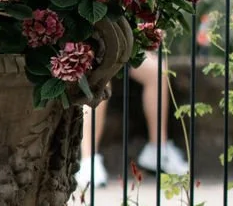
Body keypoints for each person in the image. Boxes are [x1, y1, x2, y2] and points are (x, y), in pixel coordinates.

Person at [78, 51, 189, 185]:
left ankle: (158, 151)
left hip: (120, 48)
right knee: (100, 79)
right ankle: (88, 161)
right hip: (89, 49)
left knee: (157, 70)